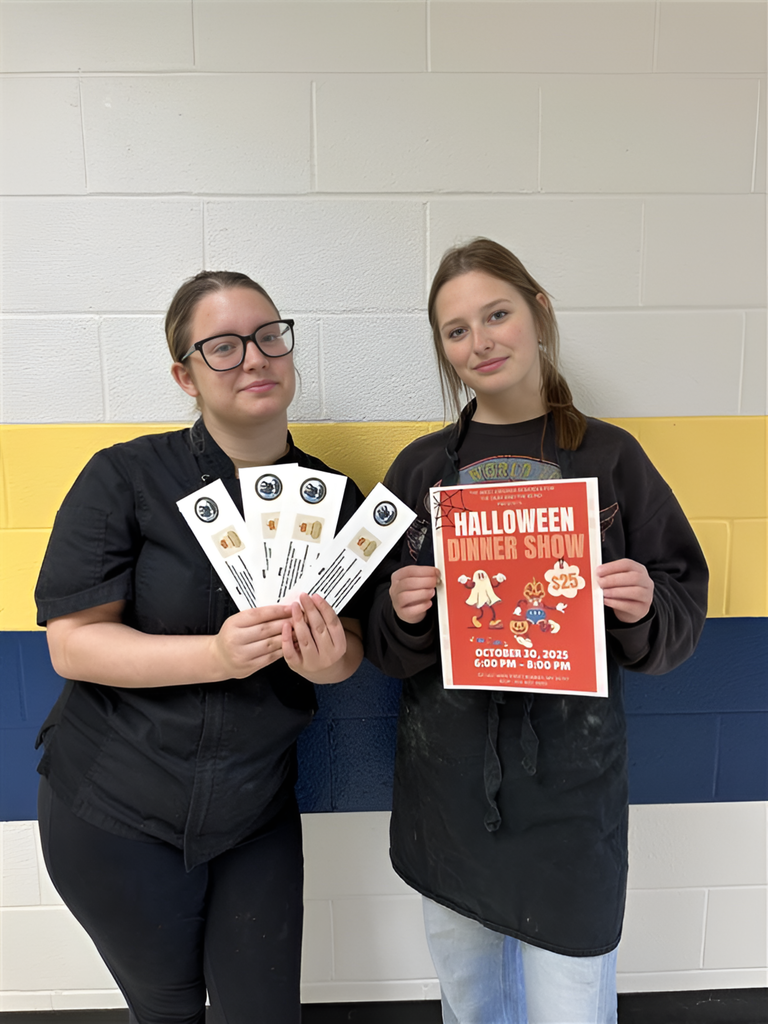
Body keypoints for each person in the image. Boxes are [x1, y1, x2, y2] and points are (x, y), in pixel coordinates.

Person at [366, 239, 708, 1024]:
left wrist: (642, 602)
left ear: (539, 312)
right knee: (473, 1002)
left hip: (571, 786)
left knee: (570, 1004)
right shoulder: (420, 472)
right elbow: (374, 638)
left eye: (496, 315)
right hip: (449, 786)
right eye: (456, 330)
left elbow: (681, 613)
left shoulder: (613, 460)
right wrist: (404, 609)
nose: (479, 341)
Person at [34, 271, 365, 1024]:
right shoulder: (124, 476)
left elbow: (349, 650)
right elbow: (74, 646)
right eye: (222, 346)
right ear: (185, 373)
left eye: (268, 336)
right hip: (117, 808)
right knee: (169, 1011)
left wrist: (329, 660)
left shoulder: (334, 498)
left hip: (255, 809)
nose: (254, 358)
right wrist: (214, 656)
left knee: (265, 1012)